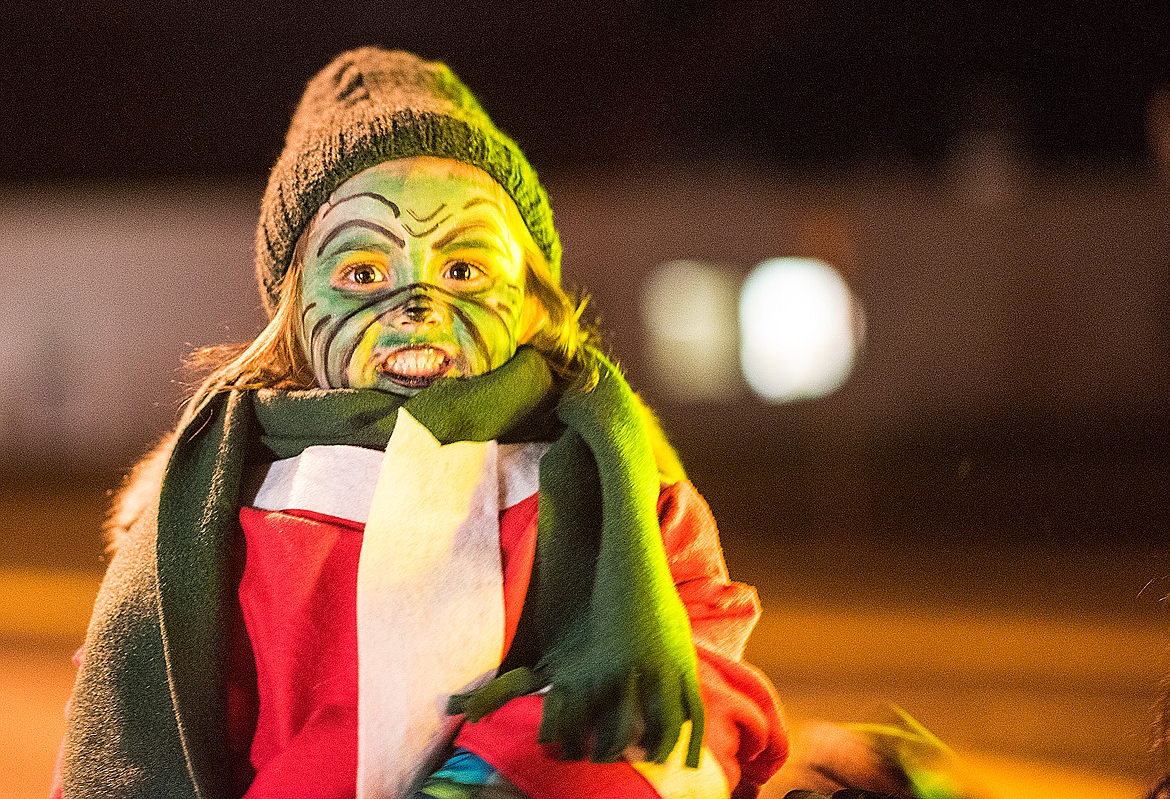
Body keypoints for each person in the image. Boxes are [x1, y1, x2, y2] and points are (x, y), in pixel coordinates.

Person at [53, 47, 787, 799]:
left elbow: (696, 666)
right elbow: (140, 727)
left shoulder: (615, 486)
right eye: (363, 273)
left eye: (464, 269)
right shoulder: (219, 511)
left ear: (532, 297)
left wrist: (508, 776)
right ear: (291, 311)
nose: (418, 308)